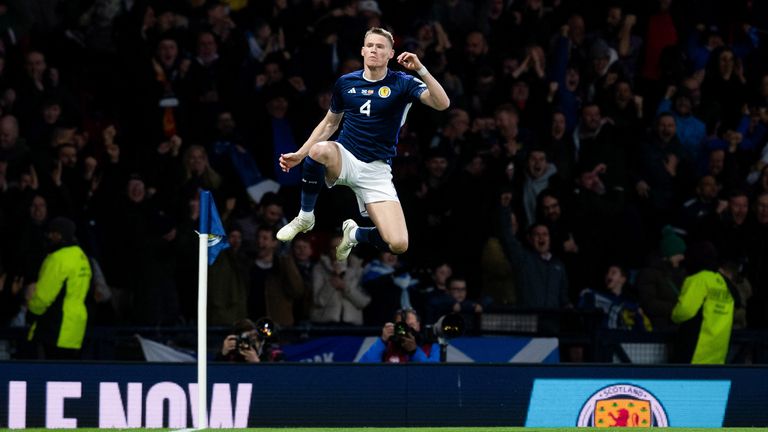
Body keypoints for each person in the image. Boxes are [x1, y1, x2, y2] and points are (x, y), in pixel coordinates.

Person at [275, 27, 450, 262]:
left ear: (390, 54)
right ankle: (305, 216)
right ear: (362, 51)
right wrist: (299, 154)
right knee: (319, 150)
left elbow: (442, 103)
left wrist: (421, 69)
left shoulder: (403, 82)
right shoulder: (346, 83)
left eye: (380, 47)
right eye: (370, 46)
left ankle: (355, 233)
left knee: (398, 244)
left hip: (377, 170)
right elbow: (329, 124)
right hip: (346, 156)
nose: (374, 50)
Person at [26, 217, 92, 359]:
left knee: (45, 376)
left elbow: (43, 297)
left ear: (60, 235)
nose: (49, 236)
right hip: (75, 327)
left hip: (53, 327)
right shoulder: (81, 256)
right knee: (67, 376)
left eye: (52, 233)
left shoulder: (57, 258)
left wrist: (31, 312)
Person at [358, 308, 440, 363]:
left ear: (418, 325)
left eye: (411, 326)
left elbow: (432, 375)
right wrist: (382, 341)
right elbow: (365, 368)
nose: (408, 331)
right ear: (394, 326)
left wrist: (414, 352)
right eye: (402, 326)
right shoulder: (387, 346)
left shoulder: (432, 346)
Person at [216, 318, 283, 363]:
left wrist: (257, 363)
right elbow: (214, 377)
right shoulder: (232, 354)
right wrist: (223, 355)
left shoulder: (273, 353)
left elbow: (281, 379)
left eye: (253, 338)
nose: (247, 343)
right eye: (244, 339)